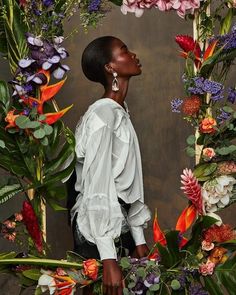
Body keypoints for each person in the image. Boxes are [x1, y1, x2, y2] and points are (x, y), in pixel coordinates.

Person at [69, 36, 151, 295]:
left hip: (118, 225)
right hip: (98, 234)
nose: (133, 55)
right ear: (110, 68)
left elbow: (128, 183)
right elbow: (98, 185)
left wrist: (139, 240)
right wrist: (108, 258)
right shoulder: (103, 115)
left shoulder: (118, 111)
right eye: (124, 51)